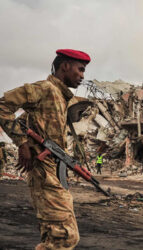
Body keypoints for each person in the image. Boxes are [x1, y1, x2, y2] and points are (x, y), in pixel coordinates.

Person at [0, 49, 91, 249]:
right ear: (65, 66)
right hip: (45, 171)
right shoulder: (45, 89)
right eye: (80, 69)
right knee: (63, 237)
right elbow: (3, 106)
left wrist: (30, 144)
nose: (83, 76)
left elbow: (30, 121)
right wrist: (22, 143)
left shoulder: (61, 96)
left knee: (57, 236)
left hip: (52, 169)